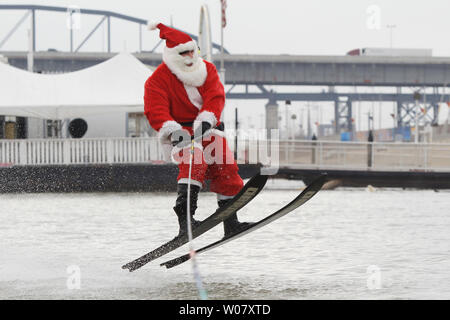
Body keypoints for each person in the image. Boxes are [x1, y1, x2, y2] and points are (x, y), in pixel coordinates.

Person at [144, 22, 251, 238]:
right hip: (179, 131)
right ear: (173, 54)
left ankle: (230, 221)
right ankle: (185, 220)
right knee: (196, 161)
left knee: (224, 163)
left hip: (206, 128)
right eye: (184, 53)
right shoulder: (156, 81)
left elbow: (215, 97)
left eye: (193, 50)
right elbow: (156, 110)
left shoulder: (208, 70)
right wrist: (173, 131)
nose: (190, 56)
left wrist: (206, 119)